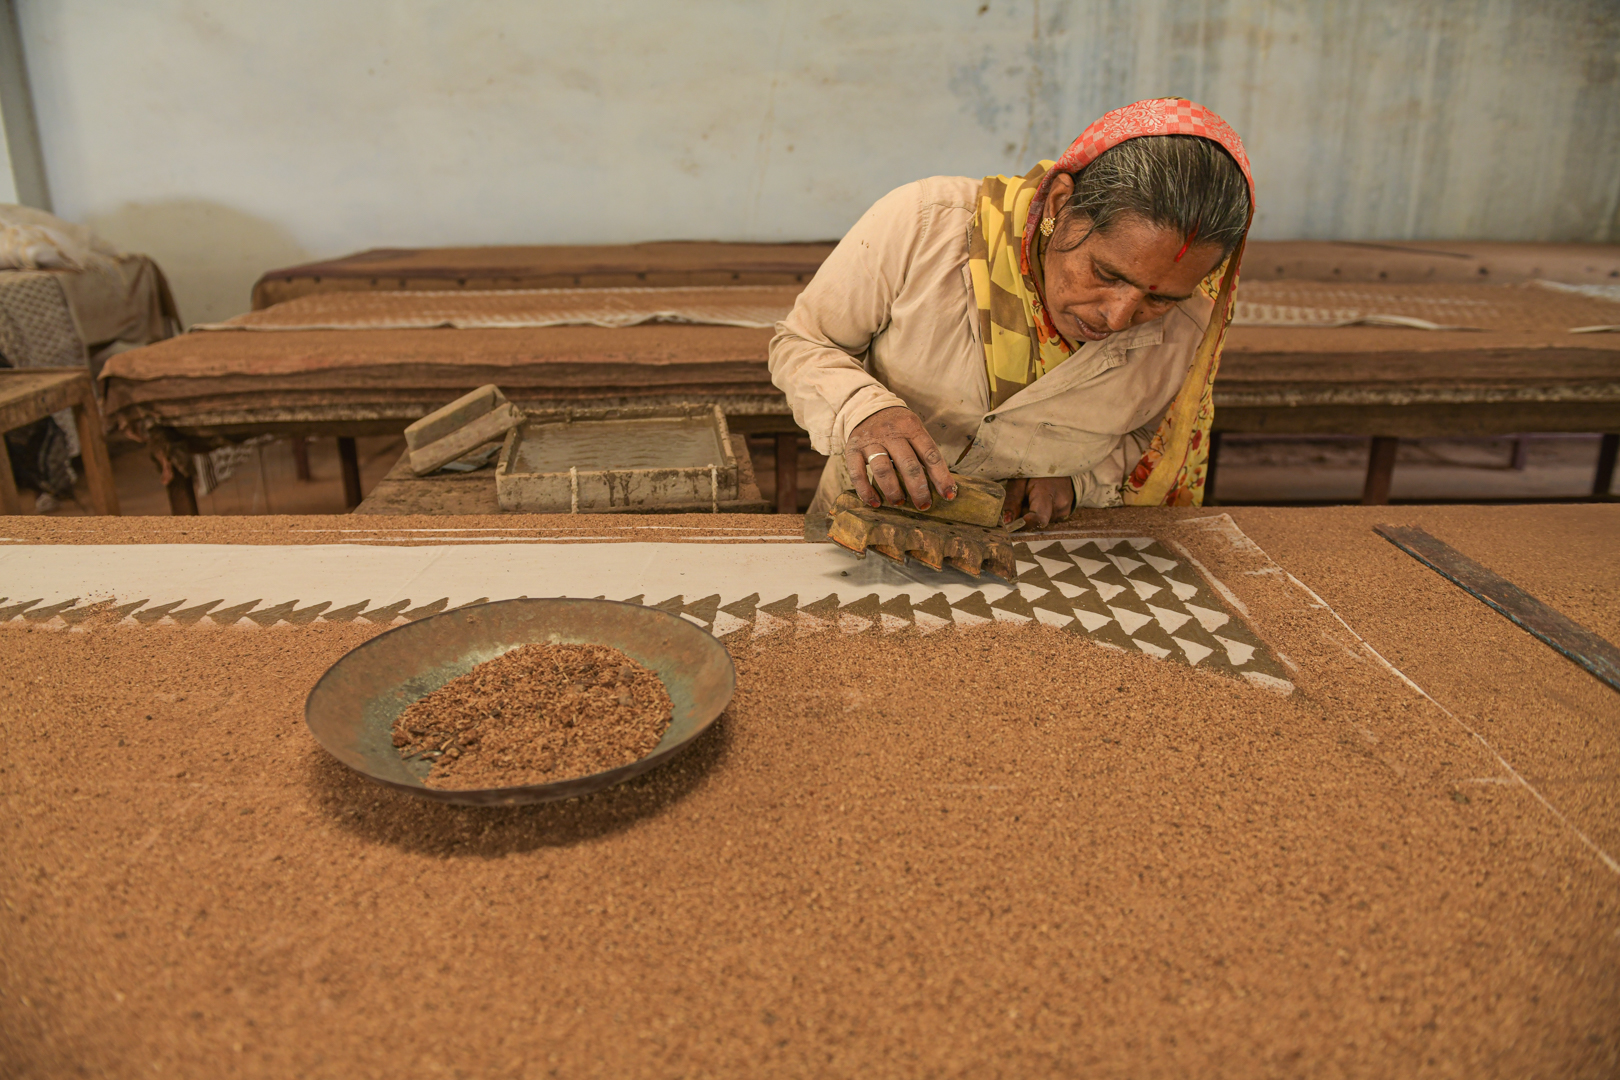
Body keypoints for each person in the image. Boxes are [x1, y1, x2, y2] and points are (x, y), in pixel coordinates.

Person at [769, 98, 1254, 537]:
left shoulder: (1191, 324)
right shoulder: (924, 225)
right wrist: (863, 410)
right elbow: (804, 343)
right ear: (1062, 205)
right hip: (860, 527)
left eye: (1160, 299)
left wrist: (1075, 480)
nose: (1118, 316)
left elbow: (1150, 437)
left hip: (1042, 559)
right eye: (1105, 272)